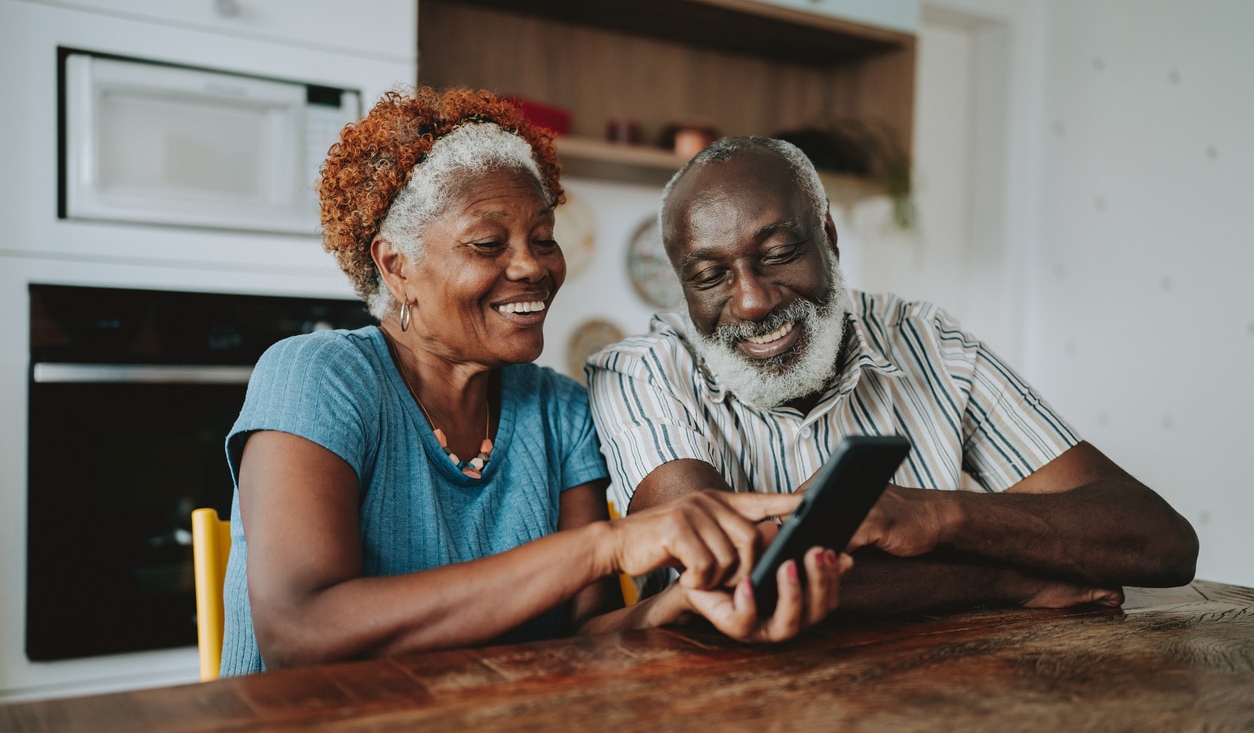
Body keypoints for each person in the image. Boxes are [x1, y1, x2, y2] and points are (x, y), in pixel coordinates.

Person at [219, 91, 846, 676]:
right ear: (396, 265)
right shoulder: (316, 376)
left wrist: (677, 606)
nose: (532, 267)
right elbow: (298, 631)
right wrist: (608, 546)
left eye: (544, 238)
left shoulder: (560, 410)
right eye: (489, 243)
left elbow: (583, 637)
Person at [587, 136, 1198, 614]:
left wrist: (934, 516)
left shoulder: (930, 343)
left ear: (828, 237)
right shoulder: (639, 373)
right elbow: (728, 581)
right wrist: (1003, 578)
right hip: (712, 714)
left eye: (777, 255)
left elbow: (1161, 541)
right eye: (710, 276)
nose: (751, 301)